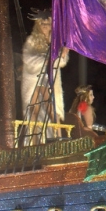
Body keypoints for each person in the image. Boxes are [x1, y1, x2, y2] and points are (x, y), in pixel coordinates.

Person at [20, 9, 69, 142]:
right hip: (33, 78)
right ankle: (34, 142)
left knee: (53, 109)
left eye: (48, 24)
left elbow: (60, 63)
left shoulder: (56, 43)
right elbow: (28, 58)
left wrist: (62, 54)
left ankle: (58, 138)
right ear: (38, 25)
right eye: (42, 24)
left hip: (50, 79)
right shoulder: (31, 41)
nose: (45, 26)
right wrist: (46, 59)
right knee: (33, 109)